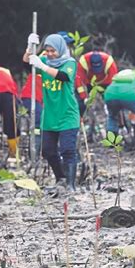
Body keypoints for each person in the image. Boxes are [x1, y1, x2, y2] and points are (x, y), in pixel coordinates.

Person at [23, 33, 80, 192]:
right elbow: (27, 64)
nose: (49, 54)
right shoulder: (45, 60)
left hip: (67, 114)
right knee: (47, 150)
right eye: (47, 50)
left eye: (53, 51)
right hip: (49, 116)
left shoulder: (69, 63)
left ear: (60, 49)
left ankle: (70, 185)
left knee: (68, 150)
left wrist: (42, 66)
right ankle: (60, 177)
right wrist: (29, 48)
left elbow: (63, 76)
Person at [103, 69, 135, 136]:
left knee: (112, 116)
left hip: (110, 94)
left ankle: (111, 139)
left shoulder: (117, 80)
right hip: (130, 95)